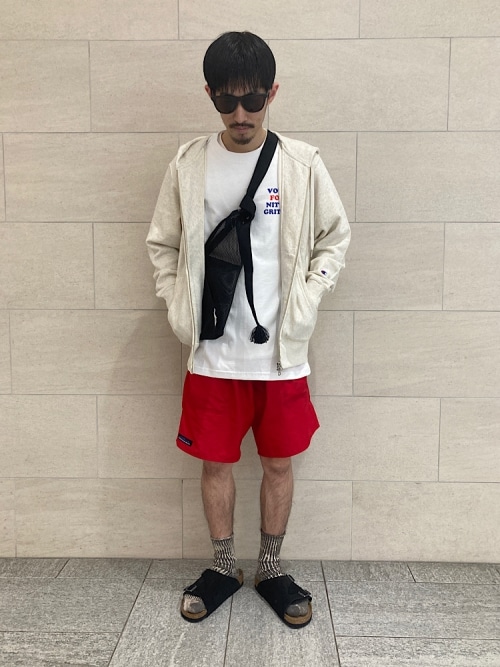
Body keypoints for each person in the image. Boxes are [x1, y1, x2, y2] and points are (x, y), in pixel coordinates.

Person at [146, 31, 350, 629]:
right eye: (227, 101)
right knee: (215, 464)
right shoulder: (189, 163)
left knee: (279, 464)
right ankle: (221, 569)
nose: (241, 114)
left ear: (272, 94)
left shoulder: (301, 164)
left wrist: (308, 297)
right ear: (210, 95)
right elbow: (162, 244)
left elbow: (334, 237)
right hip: (212, 351)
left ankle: (271, 569)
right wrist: (177, 305)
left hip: (281, 355)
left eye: (253, 100)